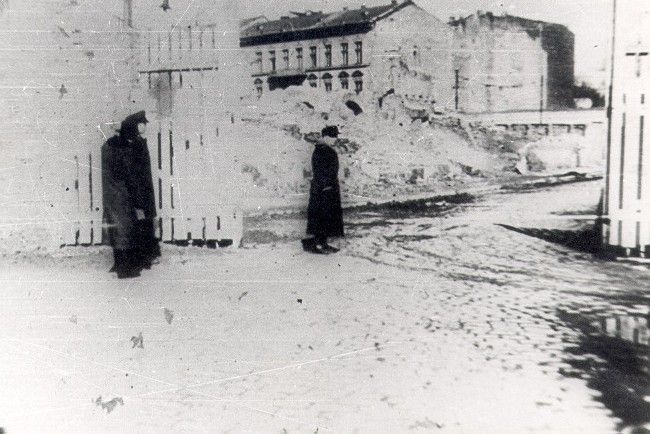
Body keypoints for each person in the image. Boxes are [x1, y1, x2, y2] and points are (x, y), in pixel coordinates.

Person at [102, 111, 158, 278]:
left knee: (121, 228)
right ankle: (125, 268)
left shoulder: (124, 145)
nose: (145, 126)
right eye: (142, 124)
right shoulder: (124, 147)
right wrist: (138, 199)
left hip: (116, 193)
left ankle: (123, 264)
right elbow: (130, 174)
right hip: (122, 194)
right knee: (125, 229)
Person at [303, 125, 344, 254]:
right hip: (325, 188)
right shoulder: (322, 150)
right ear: (326, 137)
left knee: (324, 217)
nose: (335, 139)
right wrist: (326, 186)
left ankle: (322, 243)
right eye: (333, 137)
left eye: (335, 136)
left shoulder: (323, 149)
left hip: (326, 187)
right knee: (322, 216)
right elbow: (321, 171)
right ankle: (315, 244)